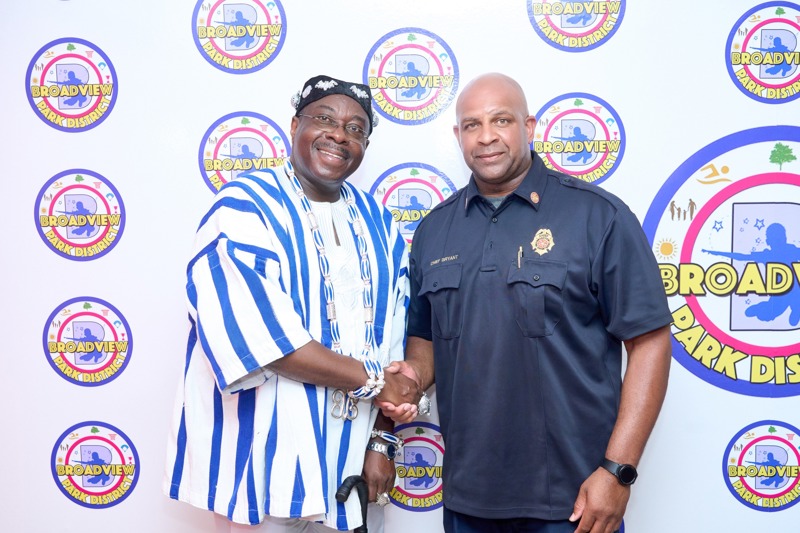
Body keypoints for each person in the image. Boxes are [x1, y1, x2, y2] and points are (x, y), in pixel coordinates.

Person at [381, 73, 673, 533]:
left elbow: (650, 343)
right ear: (458, 135)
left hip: (575, 499)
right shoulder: (435, 229)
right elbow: (426, 336)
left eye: (501, 120)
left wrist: (618, 470)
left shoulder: (598, 216)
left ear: (529, 126)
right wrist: (412, 380)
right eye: (472, 125)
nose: (486, 136)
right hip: (467, 498)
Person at [164, 74, 421, 532]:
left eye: (356, 129)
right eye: (325, 119)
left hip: (352, 470)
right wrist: (375, 381)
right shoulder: (244, 207)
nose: (339, 135)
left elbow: (395, 346)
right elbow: (263, 341)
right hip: (264, 467)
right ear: (294, 125)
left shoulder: (380, 221)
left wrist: (382, 441)